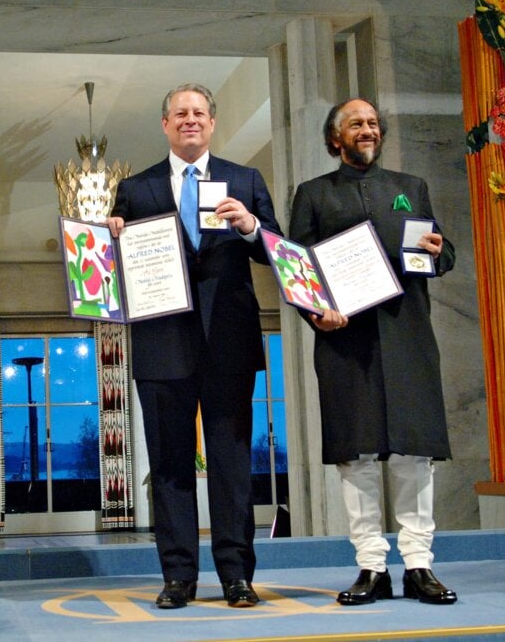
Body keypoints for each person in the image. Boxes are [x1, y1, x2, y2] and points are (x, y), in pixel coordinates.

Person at [107, 83, 281, 609]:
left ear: (212, 123)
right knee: (170, 466)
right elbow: (112, 270)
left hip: (228, 343)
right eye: (179, 113)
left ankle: (236, 576)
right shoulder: (135, 190)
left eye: (199, 113)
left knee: (230, 466)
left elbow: (277, 250)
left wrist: (251, 225)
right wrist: (110, 238)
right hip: (162, 346)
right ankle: (178, 577)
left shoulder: (245, 179)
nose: (189, 120)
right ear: (164, 124)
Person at [288, 98, 458, 606]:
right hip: (346, 342)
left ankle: (420, 566)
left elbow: (443, 252)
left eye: (373, 124)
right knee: (356, 456)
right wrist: (317, 313)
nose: (368, 130)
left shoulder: (411, 189)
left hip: (407, 337)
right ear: (335, 138)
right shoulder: (313, 195)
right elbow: (297, 271)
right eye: (356, 124)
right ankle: (371, 567)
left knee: (413, 455)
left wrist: (438, 252)